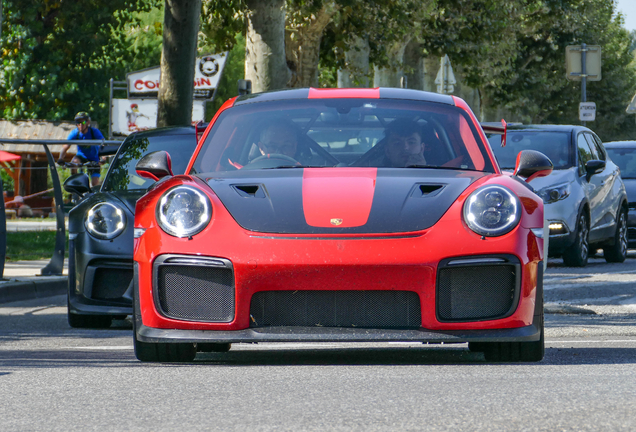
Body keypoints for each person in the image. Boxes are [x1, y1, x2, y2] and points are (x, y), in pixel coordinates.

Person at [58, 112, 105, 186]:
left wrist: (103, 157)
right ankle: (75, 183)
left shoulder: (94, 132)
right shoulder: (75, 133)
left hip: (94, 158)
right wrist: (60, 158)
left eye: (83, 122)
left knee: (95, 183)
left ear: (88, 122)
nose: (80, 125)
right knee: (74, 162)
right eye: (78, 122)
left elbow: (103, 144)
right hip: (81, 156)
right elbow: (65, 147)